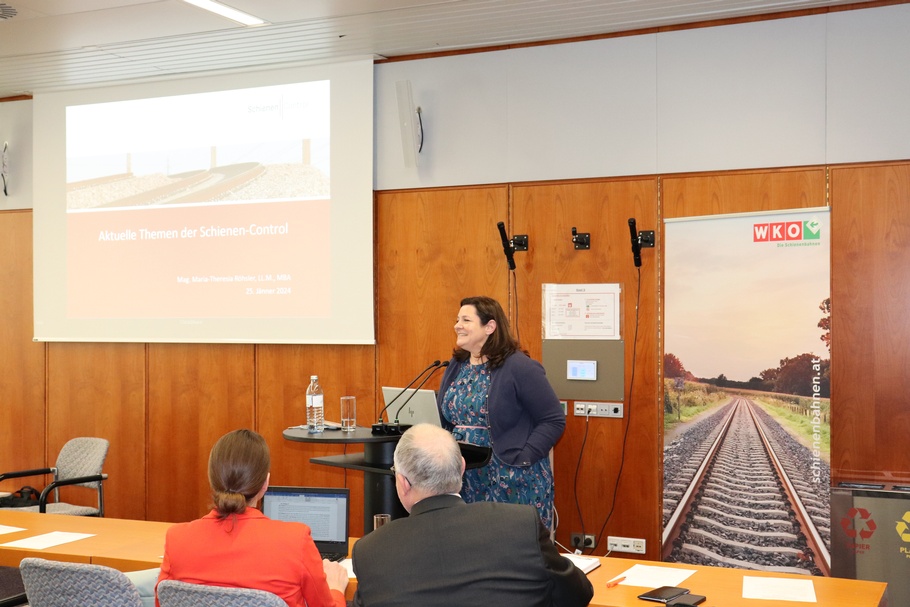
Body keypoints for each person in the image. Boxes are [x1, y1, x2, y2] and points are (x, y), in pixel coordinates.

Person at [351, 424, 593, 607]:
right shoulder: (520, 525)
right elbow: (578, 593)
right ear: (462, 468)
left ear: (402, 482)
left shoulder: (370, 551)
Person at [155, 429, 348, 607]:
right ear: (265, 483)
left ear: (212, 481)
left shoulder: (176, 539)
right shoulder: (296, 540)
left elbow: (162, 602)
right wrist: (336, 589)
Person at [437, 295, 564, 529]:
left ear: (490, 326)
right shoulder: (457, 365)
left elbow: (553, 419)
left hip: (512, 477)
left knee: (515, 549)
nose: (457, 325)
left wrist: (524, 458)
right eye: (457, 319)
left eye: (466, 320)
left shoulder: (519, 366)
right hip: (466, 476)